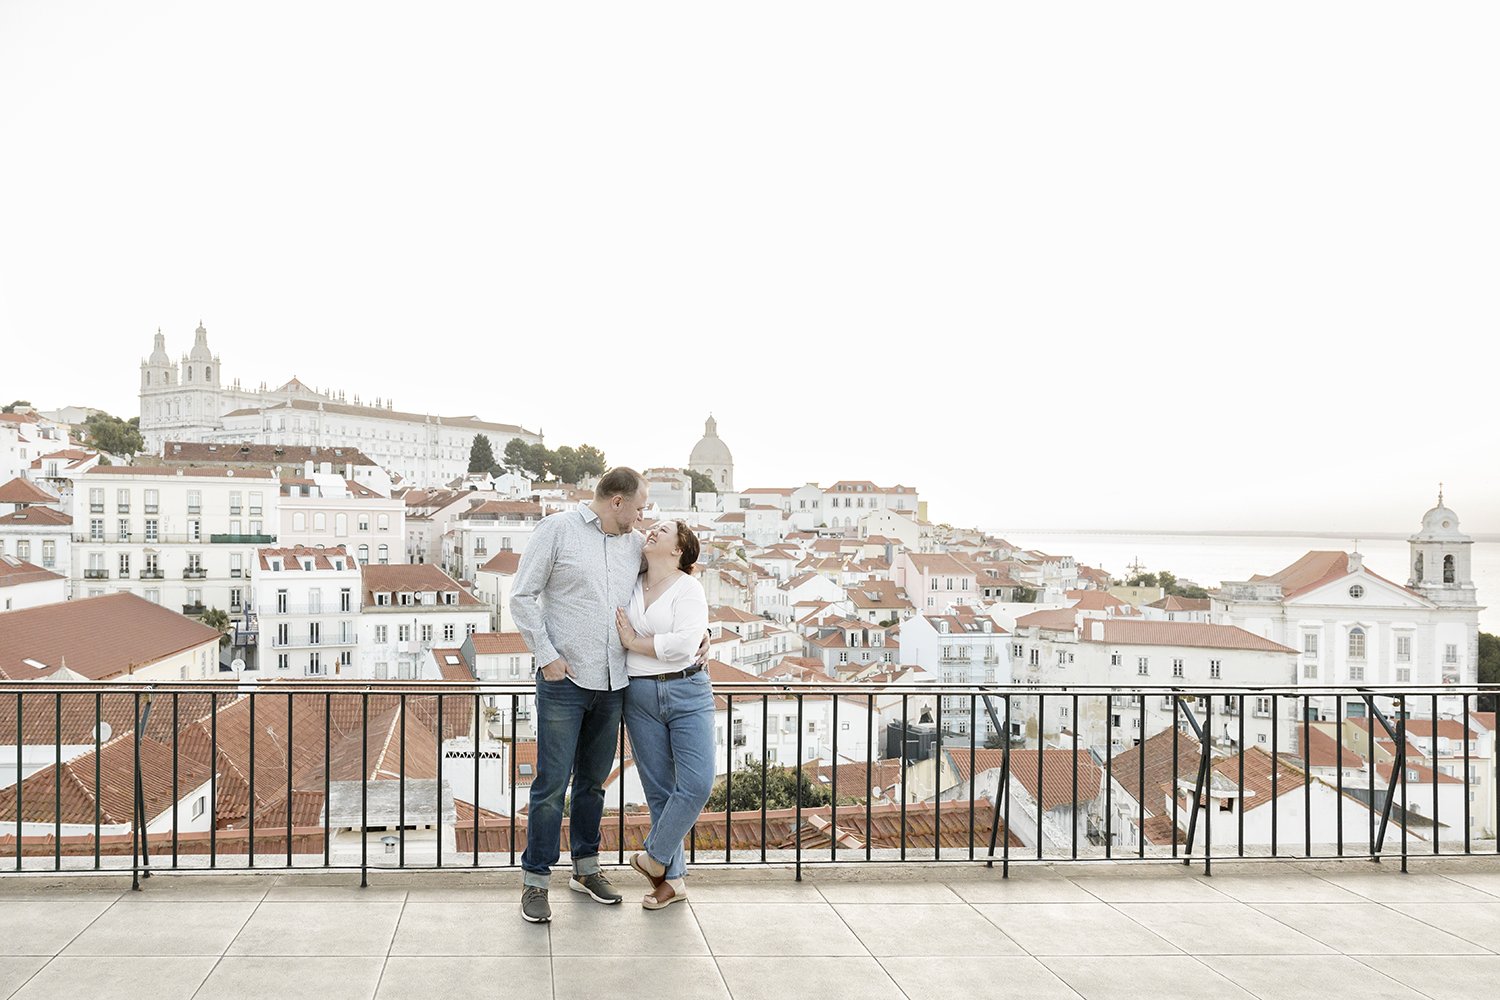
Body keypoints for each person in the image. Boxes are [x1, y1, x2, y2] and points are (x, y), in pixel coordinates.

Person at [510, 467, 649, 923]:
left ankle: (586, 869)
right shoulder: (557, 529)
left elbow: (672, 582)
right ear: (616, 501)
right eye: (639, 506)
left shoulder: (634, 544)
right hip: (564, 681)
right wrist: (546, 656)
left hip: (613, 682)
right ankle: (535, 881)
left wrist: (700, 633)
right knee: (550, 786)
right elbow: (522, 596)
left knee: (592, 784)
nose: (642, 514)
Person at [615, 519, 712, 909]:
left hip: (688, 689)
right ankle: (672, 882)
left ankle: (653, 856)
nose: (652, 530)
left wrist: (634, 642)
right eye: (652, 525)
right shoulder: (631, 582)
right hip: (639, 695)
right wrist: (645, 647)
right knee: (659, 791)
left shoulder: (689, 587)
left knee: (696, 785)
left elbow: (686, 644)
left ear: (679, 549)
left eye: (664, 529)